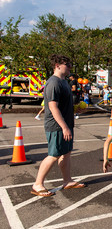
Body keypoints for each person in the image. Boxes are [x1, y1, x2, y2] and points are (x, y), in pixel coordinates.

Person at [31, 54, 86, 197]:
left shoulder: (64, 82)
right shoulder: (53, 83)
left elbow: (63, 105)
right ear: (57, 66)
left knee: (66, 154)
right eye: (67, 64)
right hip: (57, 126)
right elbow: (53, 107)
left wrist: (75, 109)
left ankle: (67, 181)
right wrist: (64, 127)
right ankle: (38, 184)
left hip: (66, 124)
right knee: (53, 155)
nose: (70, 67)